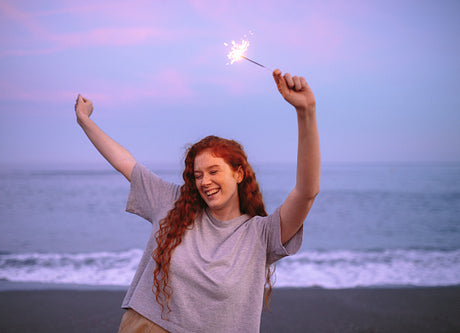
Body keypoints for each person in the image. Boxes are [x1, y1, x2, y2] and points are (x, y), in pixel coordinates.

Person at [74, 69, 320, 333]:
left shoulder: (261, 234)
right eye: (198, 175)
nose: (204, 182)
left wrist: (306, 111)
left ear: (238, 173)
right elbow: (125, 163)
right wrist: (84, 120)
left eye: (214, 172)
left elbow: (307, 191)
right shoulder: (173, 202)